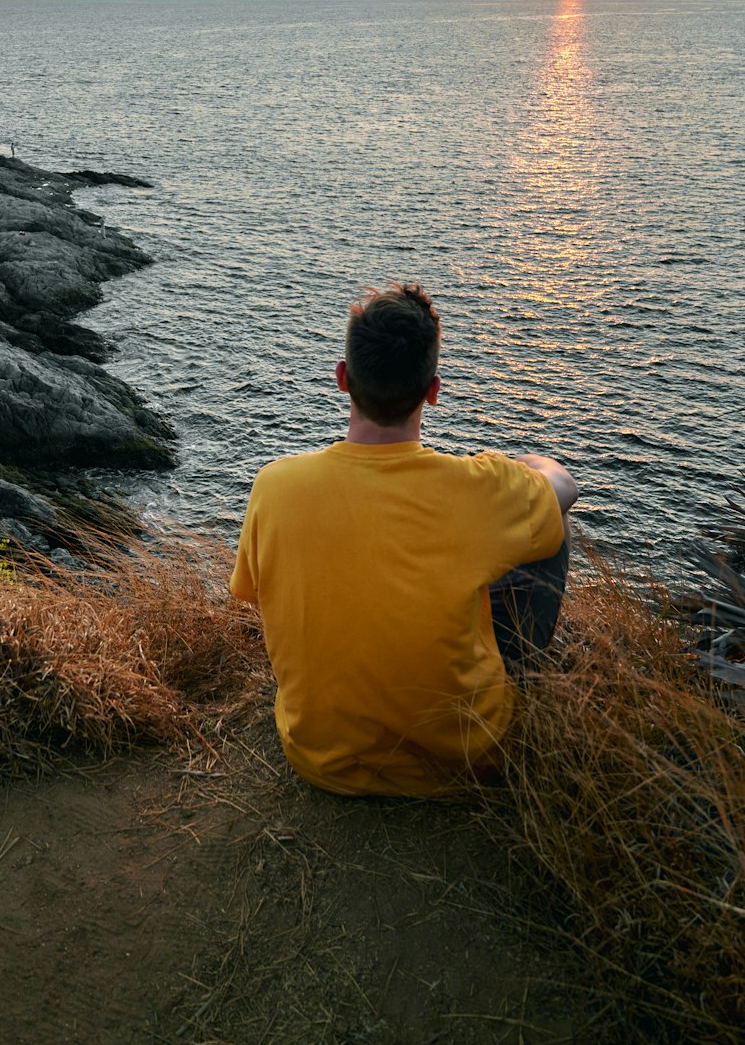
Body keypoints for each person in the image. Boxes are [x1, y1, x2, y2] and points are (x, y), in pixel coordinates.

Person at [230, 282, 577, 797]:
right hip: (465, 759)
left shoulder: (274, 485)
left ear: (343, 378)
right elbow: (565, 486)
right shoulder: (478, 487)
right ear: (432, 390)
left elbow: (258, 596)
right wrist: (519, 465)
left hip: (318, 758)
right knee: (552, 524)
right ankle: (513, 677)